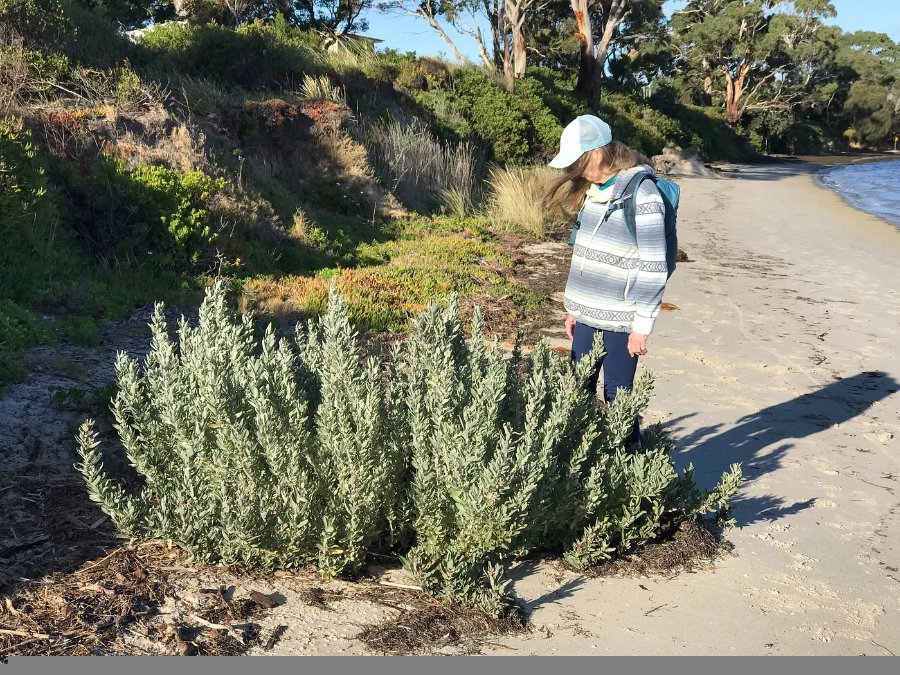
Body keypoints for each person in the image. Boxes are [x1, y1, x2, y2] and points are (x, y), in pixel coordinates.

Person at [545, 115, 670, 450]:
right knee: (575, 398)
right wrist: (573, 309)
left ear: (596, 154)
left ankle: (628, 476)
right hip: (586, 317)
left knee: (619, 403)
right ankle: (578, 474)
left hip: (621, 322)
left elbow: (654, 266)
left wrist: (642, 326)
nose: (571, 170)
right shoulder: (593, 193)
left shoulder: (642, 195)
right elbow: (583, 257)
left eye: (576, 160)